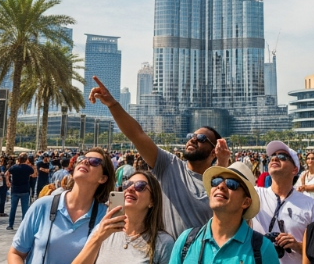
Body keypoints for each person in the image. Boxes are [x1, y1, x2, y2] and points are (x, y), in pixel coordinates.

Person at [89, 75, 231, 238]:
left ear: (213, 151)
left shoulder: (219, 183)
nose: (193, 139)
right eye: (192, 135)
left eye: (201, 139)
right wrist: (112, 105)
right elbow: (137, 135)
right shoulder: (169, 164)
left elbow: (228, 215)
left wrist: (222, 164)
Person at [8, 147, 115, 264]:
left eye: (94, 161)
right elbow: (16, 253)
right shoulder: (43, 205)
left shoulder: (105, 217)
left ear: (103, 178)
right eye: (82, 158)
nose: (85, 161)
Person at [169, 162, 279, 264]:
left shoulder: (263, 249)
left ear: (245, 202)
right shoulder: (186, 241)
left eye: (232, 184)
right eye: (216, 181)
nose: (220, 186)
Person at [73, 170, 175, 264]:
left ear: (152, 201)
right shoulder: (103, 230)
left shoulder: (163, 243)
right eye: (127, 184)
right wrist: (98, 237)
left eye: (140, 186)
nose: (130, 189)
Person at [252, 141, 314, 264]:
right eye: (272, 156)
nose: (274, 158)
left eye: (282, 157)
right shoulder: (255, 195)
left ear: (295, 169)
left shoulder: (310, 205)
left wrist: (297, 245)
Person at [7, 153, 36, 230]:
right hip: (25, 190)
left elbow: (7, 173)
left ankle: (10, 225)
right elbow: (34, 174)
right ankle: (24, 225)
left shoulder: (14, 167)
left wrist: (8, 182)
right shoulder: (28, 168)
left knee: (13, 208)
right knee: (25, 209)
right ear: (26, 160)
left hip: (15, 190)